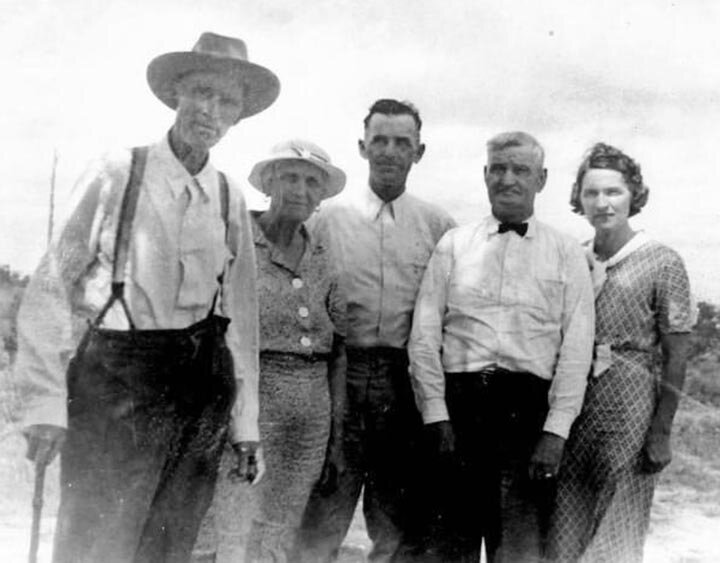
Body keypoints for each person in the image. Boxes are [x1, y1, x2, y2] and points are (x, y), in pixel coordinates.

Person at [14, 32, 279, 562]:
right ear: (177, 92)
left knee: (169, 542)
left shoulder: (229, 196)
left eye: (227, 102)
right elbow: (49, 287)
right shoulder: (119, 172)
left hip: (199, 387)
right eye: (202, 92)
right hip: (117, 382)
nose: (211, 111)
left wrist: (245, 424)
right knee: (98, 540)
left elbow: (242, 322)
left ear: (238, 117)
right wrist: (44, 402)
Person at [408, 131, 595, 562]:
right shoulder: (454, 244)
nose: (508, 179)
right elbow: (424, 335)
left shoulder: (566, 253)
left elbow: (576, 349)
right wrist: (436, 413)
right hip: (458, 408)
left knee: (519, 549)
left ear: (541, 179)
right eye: (499, 168)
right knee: (449, 547)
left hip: (527, 414)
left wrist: (556, 431)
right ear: (486, 175)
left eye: (521, 170)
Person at [296, 99, 456, 563]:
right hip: (339, 374)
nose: (389, 151)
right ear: (362, 146)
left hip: (405, 384)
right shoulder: (326, 217)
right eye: (380, 140)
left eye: (401, 142)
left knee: (397, 525)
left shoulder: (438, 226)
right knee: (322, 515)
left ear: (418, 151)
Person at [197, 139, 348, 563]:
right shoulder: (239, 238)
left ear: (322, 196)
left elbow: (338, 348)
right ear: (268, 182)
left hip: (311, 415)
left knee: (280, 526)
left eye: (312, 182)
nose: (301, 190)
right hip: (252, 402)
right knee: (235, 515)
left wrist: (335, 433)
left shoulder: (323, 256)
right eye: (290, 177)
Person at [548, 143, 695, 562]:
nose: (602, 203)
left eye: (613, 192)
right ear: (579, 198)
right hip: (574, 406)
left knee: (617, 533)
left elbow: (676, 355)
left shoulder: (662, 261)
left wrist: (662, 431)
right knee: (564, 528)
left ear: (633, 195)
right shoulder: (573, 258)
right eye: (591, 193)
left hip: (631, 406)